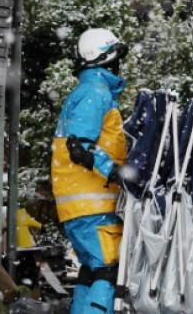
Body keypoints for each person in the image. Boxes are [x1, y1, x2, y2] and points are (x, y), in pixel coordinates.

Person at [51, 28, 129, 314]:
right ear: (106, 60)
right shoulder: (95, 94)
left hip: (79, 205)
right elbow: (80, 147)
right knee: (108, 269)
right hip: (92, 203)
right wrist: (115, 172)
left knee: (91, 270)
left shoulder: (87, 92)